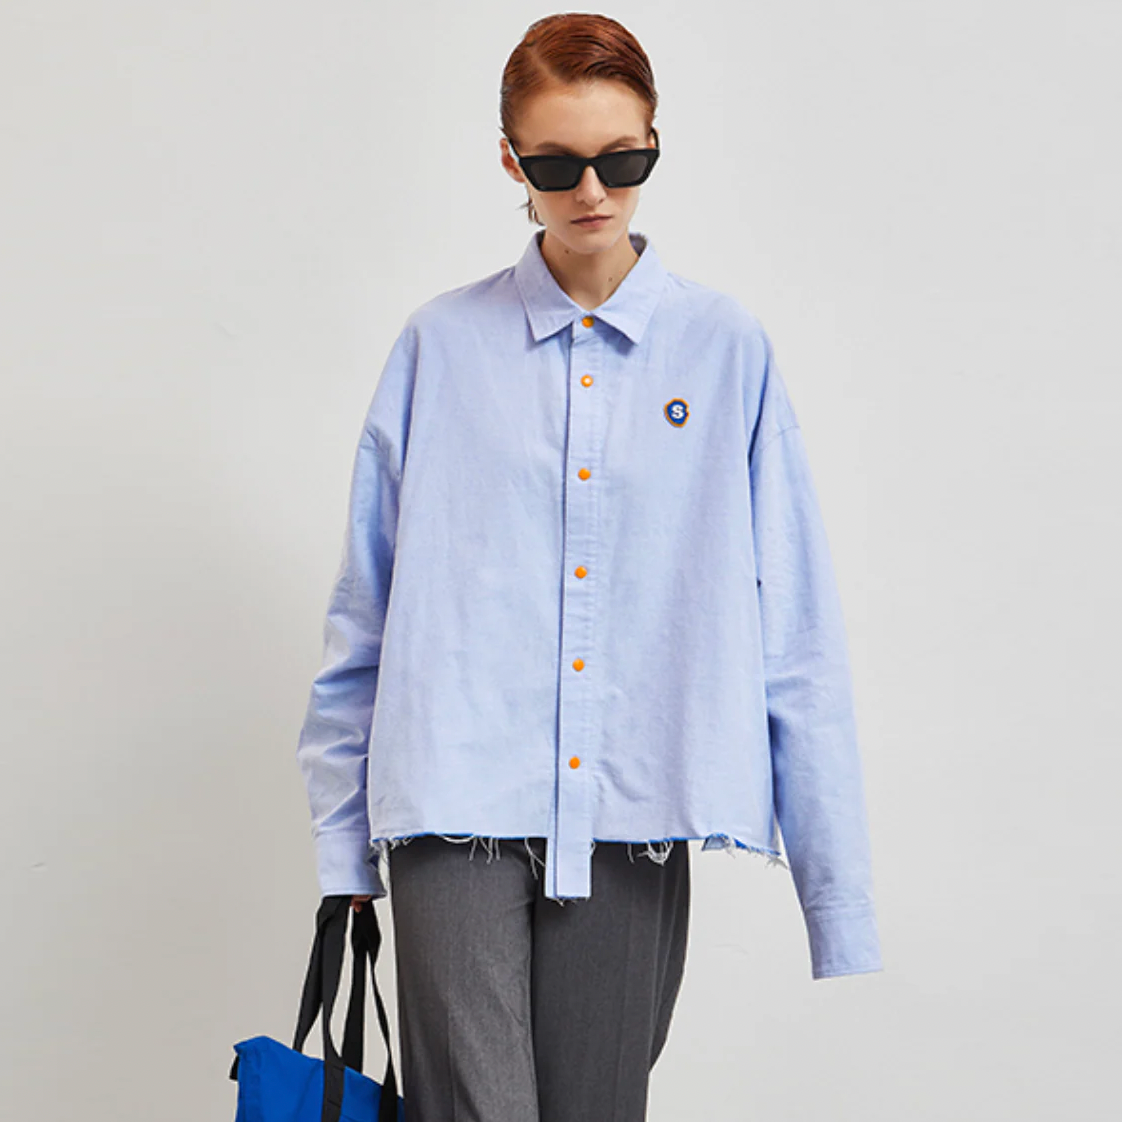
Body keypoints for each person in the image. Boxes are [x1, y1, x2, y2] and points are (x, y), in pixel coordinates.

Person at [295, 12, 883, 1121]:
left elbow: (795, 625)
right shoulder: (438, 346)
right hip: (452, 807)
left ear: (655, 144)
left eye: (623, 160)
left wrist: (835, 894)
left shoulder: (725, 349)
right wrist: (341, 852)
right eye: (557, 165)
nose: (594, 191)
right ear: (510, 161)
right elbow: (363, 615)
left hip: (635, 812)